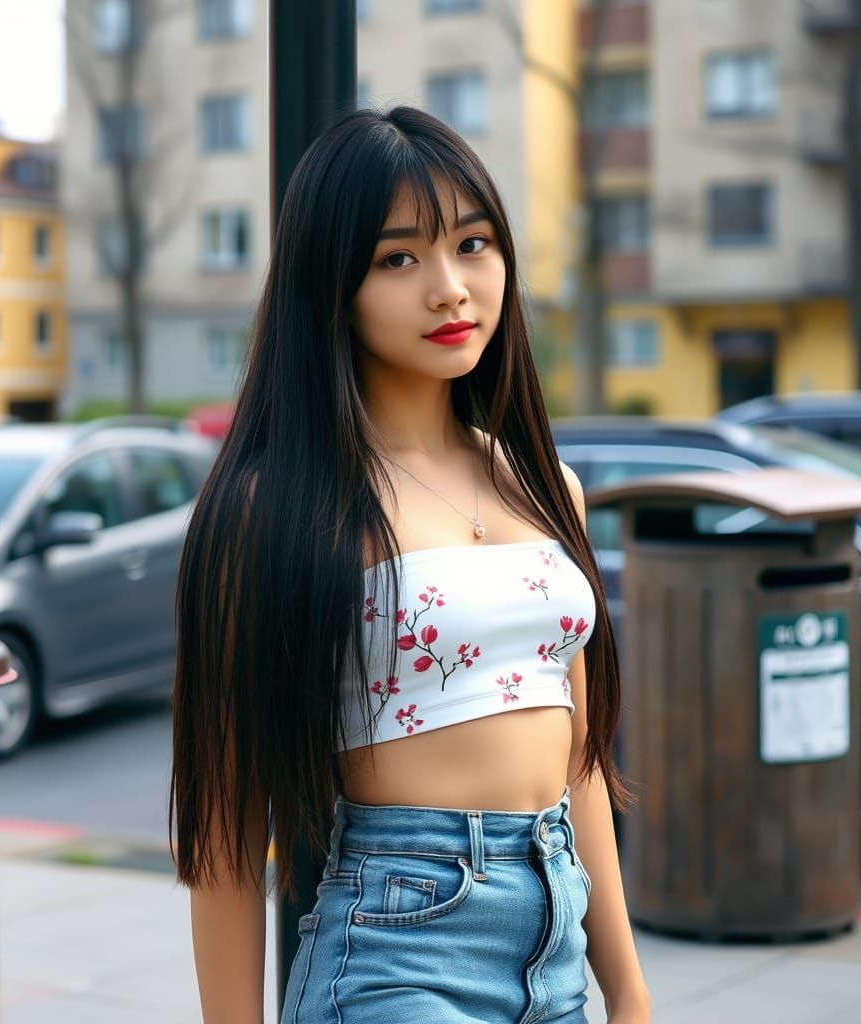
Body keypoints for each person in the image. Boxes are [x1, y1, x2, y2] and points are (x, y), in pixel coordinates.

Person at [169, 105, 650, 1024]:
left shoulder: (547, 487)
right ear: (332, 284)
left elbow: (580, 760)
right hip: (398, 945)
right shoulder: (277, 509)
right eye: (399, 258)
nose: (450, 288)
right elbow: (230, 828)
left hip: (555, 948)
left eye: (473, 245)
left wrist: (625, 987)